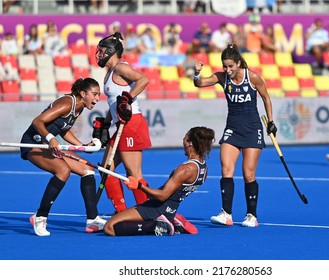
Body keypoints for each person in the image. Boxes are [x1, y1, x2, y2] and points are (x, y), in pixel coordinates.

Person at [193, 44, 277, 227]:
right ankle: (226, 214)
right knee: (226, 170)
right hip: (232, 128)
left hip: (252, 129)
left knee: (248, 174)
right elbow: (199, 83)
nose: (227, 70)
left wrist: (271, 122)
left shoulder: (252, 77)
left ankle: (251, 216)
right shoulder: (222, 78)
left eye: (231, 66)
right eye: (225, 66)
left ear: (238, 63)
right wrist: (196, 73)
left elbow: (266, 97)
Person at [19, 77, 106, 236]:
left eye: (99, 95)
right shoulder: (67, 103)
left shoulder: (79, 108)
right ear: (82, 93)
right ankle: (40, 216)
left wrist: (83, 146)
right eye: (94, 94)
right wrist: (50, 138)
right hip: (33, 143)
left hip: (47, 144)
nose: (97, 99)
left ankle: (92, 220)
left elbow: (64, 129)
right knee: (63, 170)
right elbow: (38, 122)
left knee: (87, 169)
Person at [103, 126, 215, 236]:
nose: (183, 141)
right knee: (125, 220)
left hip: (157, 209)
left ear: (190, 142)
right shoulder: (204, 169)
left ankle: (156, 226)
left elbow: (162, 196)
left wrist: (139, 186)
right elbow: (175, 193)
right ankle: (169, 222)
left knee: (109, 227)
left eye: (185, 138)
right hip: (170, 210)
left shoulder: (185, 169)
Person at [94, 32, 151, 213]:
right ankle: (121, 211)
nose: (99, 54)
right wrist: (106, 122)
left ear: (111, 51)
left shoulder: (120, 68)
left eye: (102, 51)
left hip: (132, 122)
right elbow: (115, 104)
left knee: (133, 174)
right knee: (106, 169)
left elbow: (143, 80)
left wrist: (128, 98)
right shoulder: (108, 74)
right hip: (120, 124)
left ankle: (147, 211)